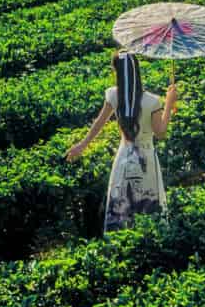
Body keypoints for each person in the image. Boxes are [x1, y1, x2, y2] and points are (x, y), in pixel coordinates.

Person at [64, 51, 180, 231]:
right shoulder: (152, 101)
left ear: (117, 73)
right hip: (146, 159)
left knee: (122, 206)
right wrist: (169, 104)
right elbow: (161, 133)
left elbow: (98, 124)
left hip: (124, 157)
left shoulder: (114, 96)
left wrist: (82, 145)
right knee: (147, 205)